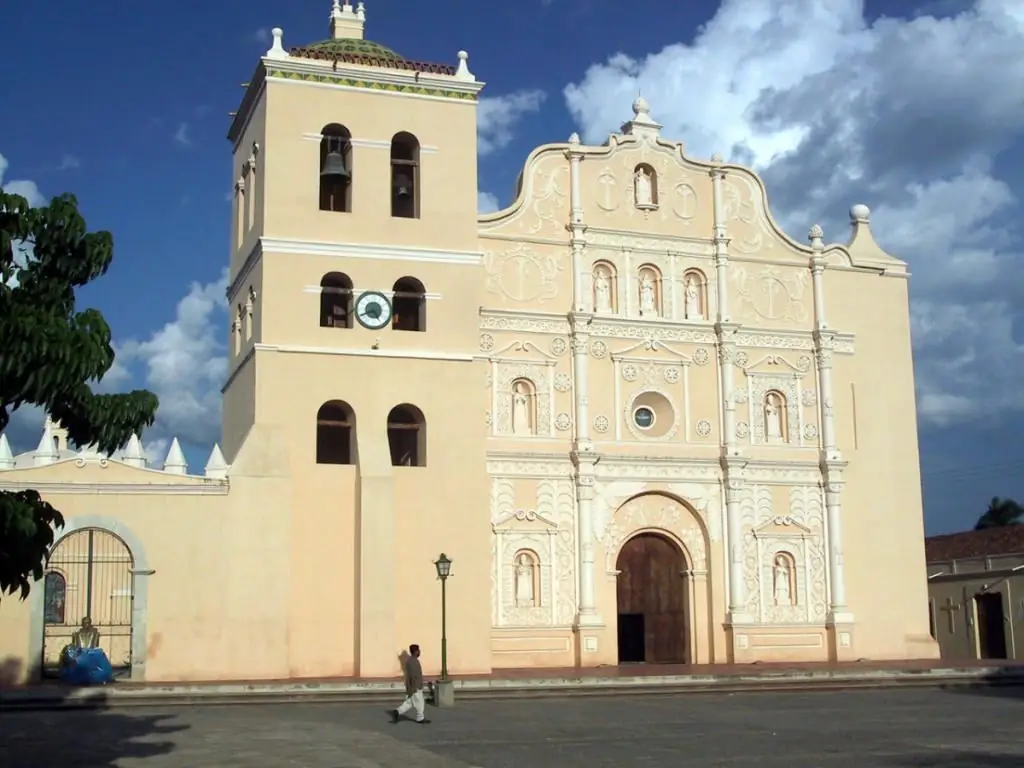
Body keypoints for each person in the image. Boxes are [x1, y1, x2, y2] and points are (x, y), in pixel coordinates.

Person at [390, 643, 430, 724]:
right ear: (415, 651)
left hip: (413, 686)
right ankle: (420, 717)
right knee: (420, 702)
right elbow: (413, 676)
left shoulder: (411, 661)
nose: (419, 652)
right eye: (418, 650)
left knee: (410, 703)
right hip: (415, 686)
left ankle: (398, 711)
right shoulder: (413, 662)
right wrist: (415, 687)